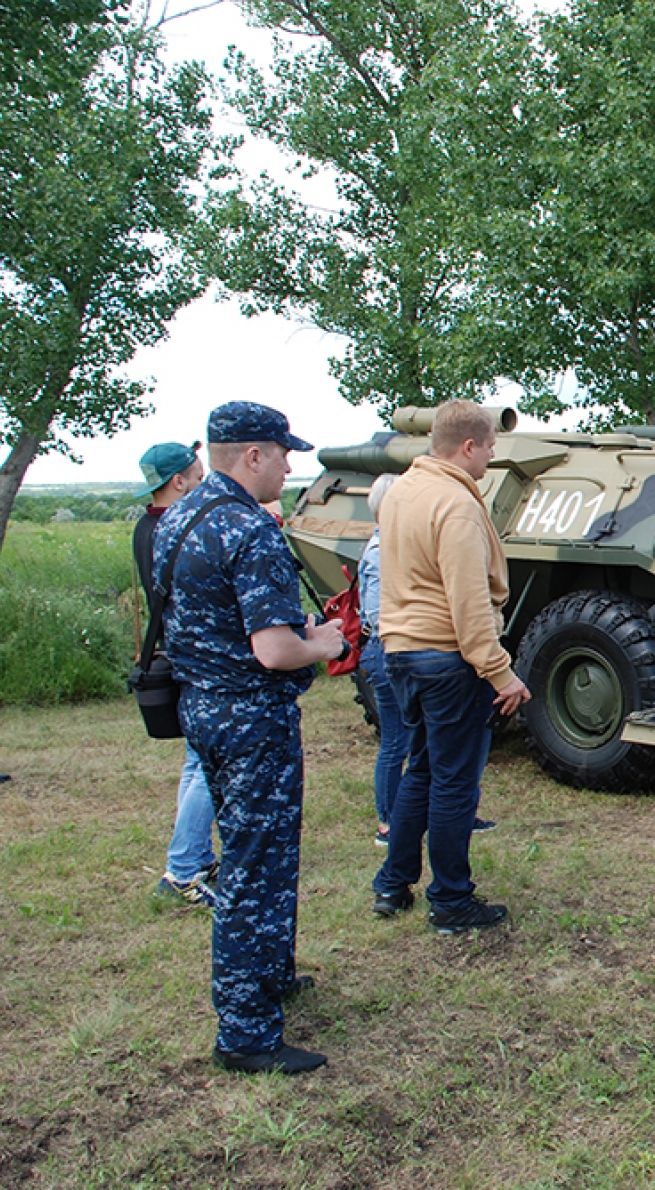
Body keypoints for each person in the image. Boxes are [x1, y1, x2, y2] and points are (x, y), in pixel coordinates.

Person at [158, 402, 346, 1075]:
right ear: (253, 455)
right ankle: (245, 1030)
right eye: (283, 453)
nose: (291, 466)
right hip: (249, 716)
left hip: (204, 707)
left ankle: (270, 976)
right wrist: (319, 643)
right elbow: (273, 650)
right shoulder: (248, 529)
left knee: (257, 852)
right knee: (254, 867)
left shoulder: (181, 517)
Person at [371, 401, 530, 931]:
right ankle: (452, 901)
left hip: (403, 653)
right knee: (456, 784)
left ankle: (393, 884)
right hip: (447, 659)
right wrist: (500, 672)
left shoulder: (403, 491)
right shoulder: (456, 504)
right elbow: (469, 603)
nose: (490, 456)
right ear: (468, 447)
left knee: (423, 769)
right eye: (489, 447)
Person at [133, 440, 220, 908]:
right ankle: (184, 868)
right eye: (199, 478)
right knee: (209, 764)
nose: (204, 486)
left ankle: (198, 856)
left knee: (196, 761)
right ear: (178, 482)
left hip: (176, 653)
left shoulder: (147, 527)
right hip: (196, 659)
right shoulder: (176, 529)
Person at [357, 473, 408, 846]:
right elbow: (377, 616)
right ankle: (387, 824)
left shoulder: (394, 548)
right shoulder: (379, 554)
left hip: (400, 650)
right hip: (387, 651)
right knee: (396, 741)